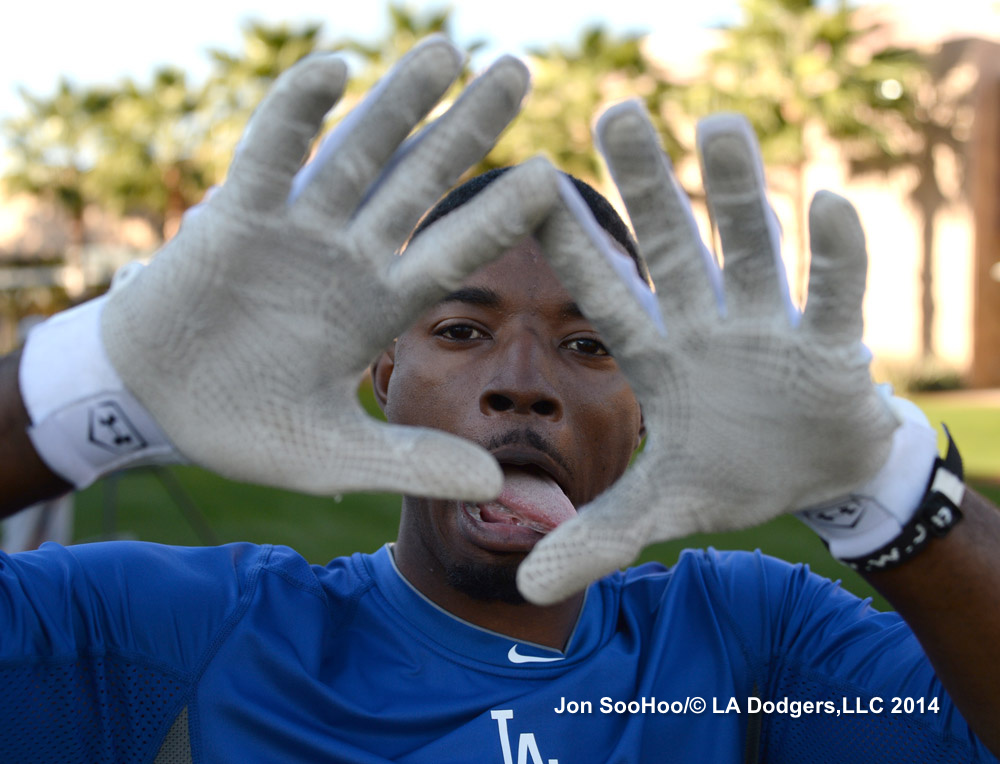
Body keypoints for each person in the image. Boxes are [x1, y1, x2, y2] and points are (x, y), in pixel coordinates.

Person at [1, 38, 998, 763]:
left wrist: (885, 484)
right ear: (382, 372)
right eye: (460, 330)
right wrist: (92, 382)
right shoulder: (178, 631)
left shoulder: (746, 638)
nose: (523, 380)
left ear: (651, 404)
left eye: (589, 343)